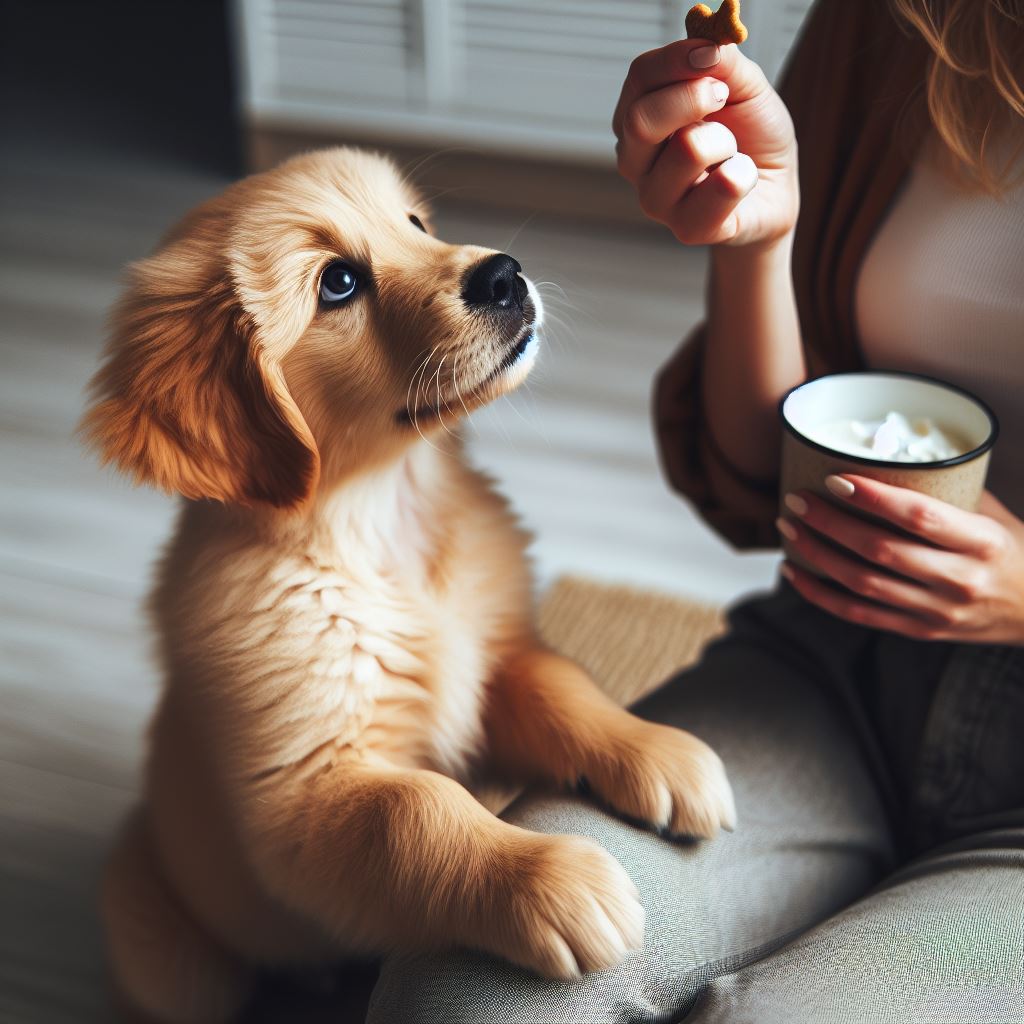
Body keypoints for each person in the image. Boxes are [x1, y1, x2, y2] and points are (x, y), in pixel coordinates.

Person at [366, 0, 1024, 1019]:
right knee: (468, 995)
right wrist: (760, 244)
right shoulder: (910, 24)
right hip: (839, 667)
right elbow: (764, 477)